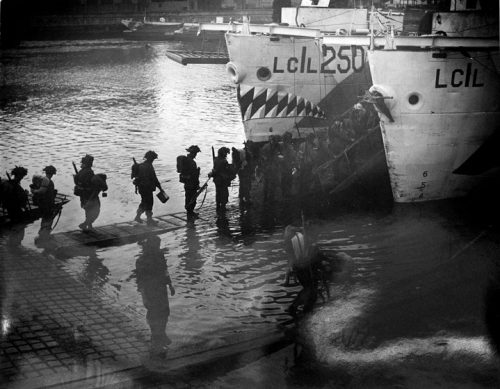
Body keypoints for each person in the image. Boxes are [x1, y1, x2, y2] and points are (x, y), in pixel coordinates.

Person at [136, 235, 175, 358]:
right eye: (156, 246)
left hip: (161, 289)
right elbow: (140, 281)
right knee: (154, 314)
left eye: (159, 245)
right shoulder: (142, 260)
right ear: (150, 246)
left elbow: (165, 270)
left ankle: (161, 334)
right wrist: (144, 296)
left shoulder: (159, 255)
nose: (158, 248)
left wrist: (170, 284)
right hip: (150, 291)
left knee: (164, 312)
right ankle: (155, 338)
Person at [134, 150, 163, 226]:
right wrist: (160, 187)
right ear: (150, 158)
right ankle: (149, 220)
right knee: (149, 203)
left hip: (141, 187)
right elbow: (154, 178)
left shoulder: (141, 165)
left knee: (144, 202)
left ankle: (138, 216)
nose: (153, 160)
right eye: (153, 159)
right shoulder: (149, 166)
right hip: (147, 188)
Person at [31, 165, 57, 239]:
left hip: (43, 203)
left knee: (45, 219)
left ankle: (42, 234)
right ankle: (44, 236)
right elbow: (43, 191)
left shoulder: (42, 180)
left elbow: (38, 190)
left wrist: (34, 191)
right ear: (52, 174)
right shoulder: (48, 181)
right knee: (48, 219)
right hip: (47, 204)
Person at [210, 147, 235, 212]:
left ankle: (218, 207)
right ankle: (223, 208)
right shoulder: (224, 161)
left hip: (216, 180)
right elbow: (226, 170)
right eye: (226, 154)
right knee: (224, 194)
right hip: (222, 180)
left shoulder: (216, 160)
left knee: (218, 193)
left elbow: (215, 169)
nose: (226, 155)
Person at [74, 154, 95, 230]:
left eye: (82, 163)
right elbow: (91, 183)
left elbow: (77, 181)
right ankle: (86, 225)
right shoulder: (89, 172)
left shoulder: (82, 171)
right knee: (93, 210)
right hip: (88, 194)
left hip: (83, 194)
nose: (81, 164)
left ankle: (88, 225)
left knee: (88, 210)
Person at [179, 145, 201, 219]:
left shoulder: (185, 161)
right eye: (195, 153)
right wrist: (197, 183)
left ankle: (190, 213)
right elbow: (194, 175)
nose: (196, 155)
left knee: (188, 198)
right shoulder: (192, 162)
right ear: (194, 153)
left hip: (187, 183)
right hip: (192, 183)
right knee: (192, 199)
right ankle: (190, 214)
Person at [259, 135, 282, 204]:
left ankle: (271, 197)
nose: (274, 141)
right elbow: (262, 156)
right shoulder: (266, 147)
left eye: (275, 140)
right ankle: (266, 197)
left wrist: (279, 160)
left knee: (273, 183)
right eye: (273, 140)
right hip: (268, 167)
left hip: (274, 167)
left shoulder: (277, 146)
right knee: (267, 183)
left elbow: (280, 155)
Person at [279, 132, 297, 200]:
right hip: (283, 166)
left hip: (289, 165)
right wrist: (283, 159)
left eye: (289, 138)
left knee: (289, 179)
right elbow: (278, 155)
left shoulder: (290, 146)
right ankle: (284, 194)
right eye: (287, 138)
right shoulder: (281, 146)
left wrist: (293, 161)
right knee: (284, 180)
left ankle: (288, 193)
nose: (289, 139)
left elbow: (293, 155)